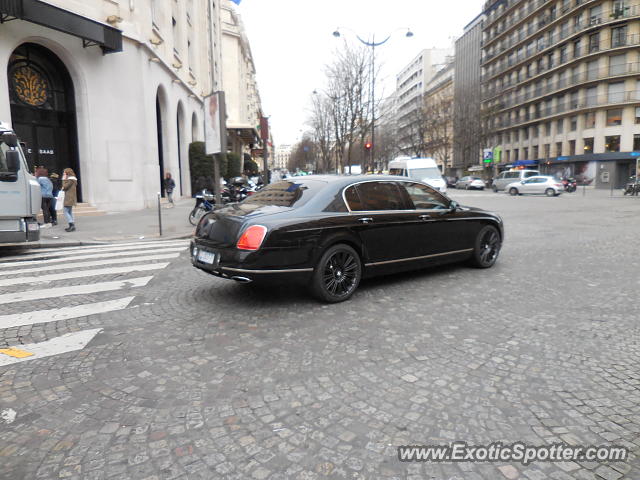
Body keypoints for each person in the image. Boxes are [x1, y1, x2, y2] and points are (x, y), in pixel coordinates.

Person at [62, 168, 78, 232]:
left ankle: (71, 225)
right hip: (71, 197)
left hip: (69, 197)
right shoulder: (72, 179)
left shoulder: (70, 180)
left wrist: (63, 179)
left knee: (65, 211)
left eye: (64, 172)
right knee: (69, 211)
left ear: (67, 173)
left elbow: (64, 187)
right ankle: (71, 225)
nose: (63, 174)